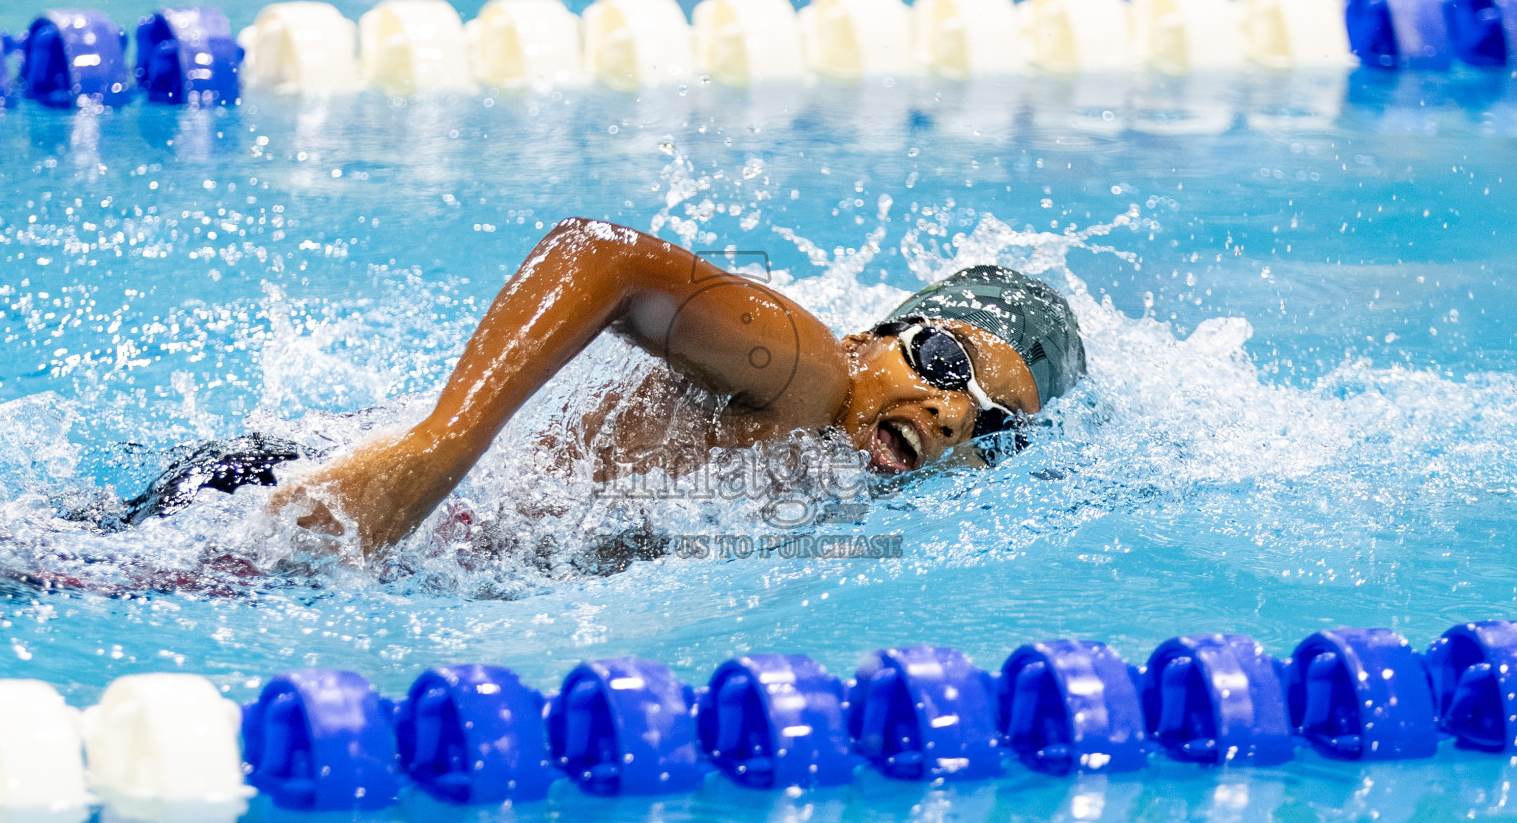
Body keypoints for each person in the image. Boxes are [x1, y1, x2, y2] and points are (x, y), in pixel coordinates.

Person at [131, 217, 1086, 557]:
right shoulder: (808, 372)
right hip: (310, 495)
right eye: (947, 364)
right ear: (875, 335)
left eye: (991, 426)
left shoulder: (830, 463)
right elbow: (600, 259)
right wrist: (441, 446)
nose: (954, 412)